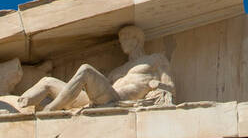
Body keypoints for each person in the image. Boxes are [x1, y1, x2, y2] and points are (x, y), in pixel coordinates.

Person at [18, 25, 174, 112]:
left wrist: (156, 86)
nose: (122, 42)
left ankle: (51, 110)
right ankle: (18, 105)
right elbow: (102, 87)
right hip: (100, 99)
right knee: (47, 81)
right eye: (121, 39)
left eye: (126, 38)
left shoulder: (155, 59)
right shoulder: (118, 70)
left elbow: (171, 87)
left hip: (117, 99)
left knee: (86, 70)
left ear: (138, 39)